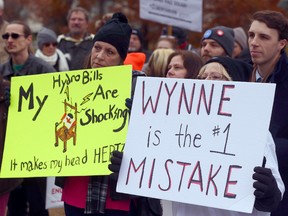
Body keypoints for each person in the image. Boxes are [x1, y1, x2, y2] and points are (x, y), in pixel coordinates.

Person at [58, 12, 153, 216]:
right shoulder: (73, 85)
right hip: (77, 185)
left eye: (109, 52)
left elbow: (152, 139)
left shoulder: (139, 86)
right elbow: (63, 129)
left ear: (121, 59)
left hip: (115, 190)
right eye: (97, 48)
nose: (100, 56)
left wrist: (139, 117)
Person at [0, 20, 56, 216]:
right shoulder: (1, 71)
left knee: (39, 206)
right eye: (6, 36)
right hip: (9, 150)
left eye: (15, 36)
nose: (9, 40)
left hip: (36, 151)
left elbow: (57, 107)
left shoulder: (43, 70)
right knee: (14, 207)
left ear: (28, 39)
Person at [247, 10, 288, 216]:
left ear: (281, 43)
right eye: (251, 35)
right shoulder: (238, 75)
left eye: (264, 37)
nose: (254, 42)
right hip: (244, 190)